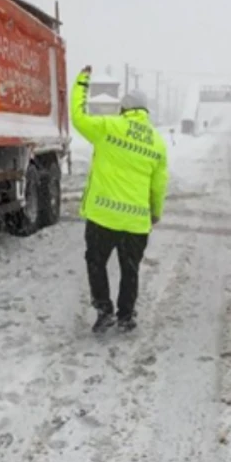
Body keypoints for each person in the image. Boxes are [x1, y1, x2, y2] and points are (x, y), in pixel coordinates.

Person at [70, 66, 169, 333]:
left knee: (96, 262)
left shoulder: (108, 127)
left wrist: (82, 82)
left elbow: (78, 117)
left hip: (103, 217)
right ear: (145, 112)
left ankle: (104, 310)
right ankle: (126, 316)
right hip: (136, 222)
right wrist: (155, 212)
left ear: (123, 109)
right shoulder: (157, 142)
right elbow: (159, 185)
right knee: (130, 269)